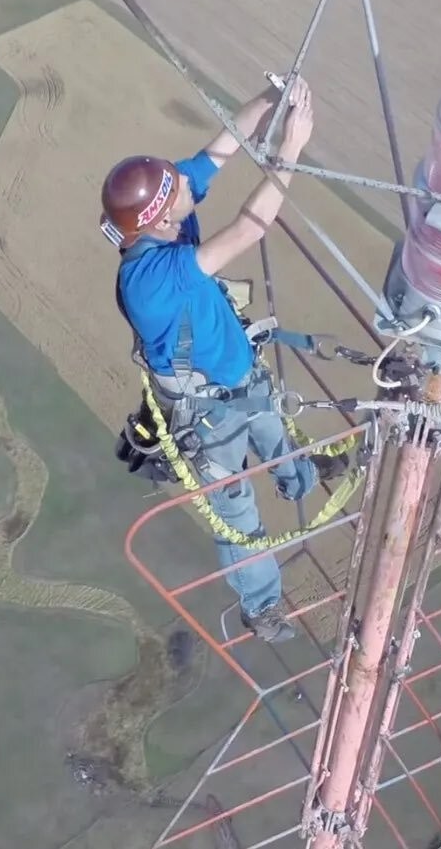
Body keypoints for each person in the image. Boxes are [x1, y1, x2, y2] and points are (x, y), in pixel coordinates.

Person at [99, 76, 346, 644]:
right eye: (177, 187)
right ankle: (261, 606)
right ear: (160, 220)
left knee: (274, 435)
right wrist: (291, 151)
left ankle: (304, 478)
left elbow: (217, 150)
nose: (187, 183)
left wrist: (269, 100)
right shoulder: (151, 281)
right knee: (238, 519)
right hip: (206, 420)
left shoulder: (162, 224)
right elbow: (247, 230)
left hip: (238, 379)